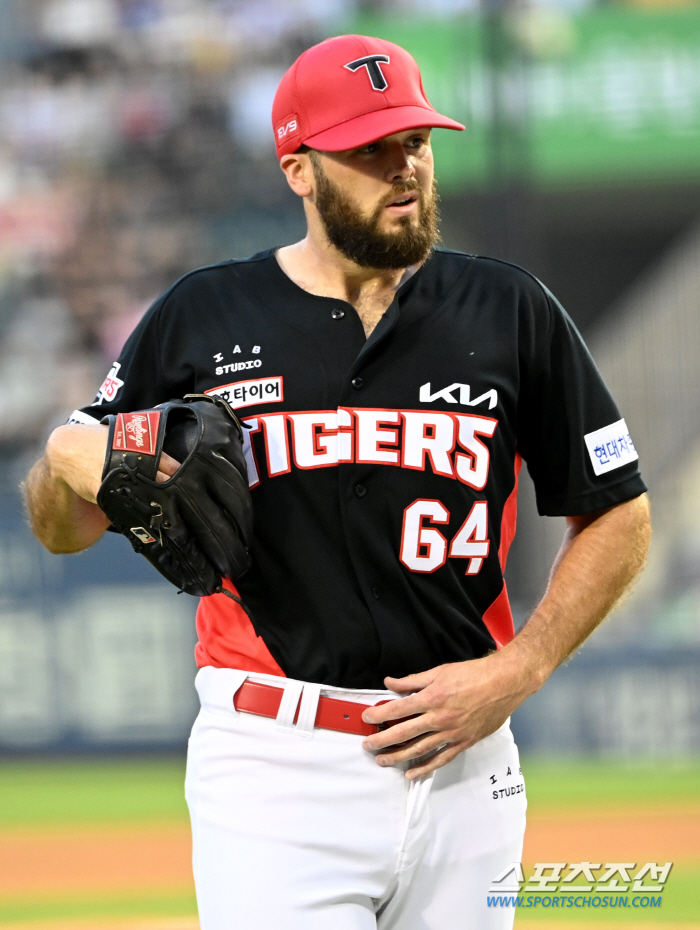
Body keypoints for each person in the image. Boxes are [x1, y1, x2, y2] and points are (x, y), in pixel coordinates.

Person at [25, 34, 650, 930]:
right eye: (369, 150)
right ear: (300, 170)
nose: (404, 169)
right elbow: (64, 524)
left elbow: (618, 513)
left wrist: (522, 668)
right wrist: (61, 461)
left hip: (467, 761)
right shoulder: (205, 313)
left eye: (417, 142)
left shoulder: (508, 310)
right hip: (278, 765)